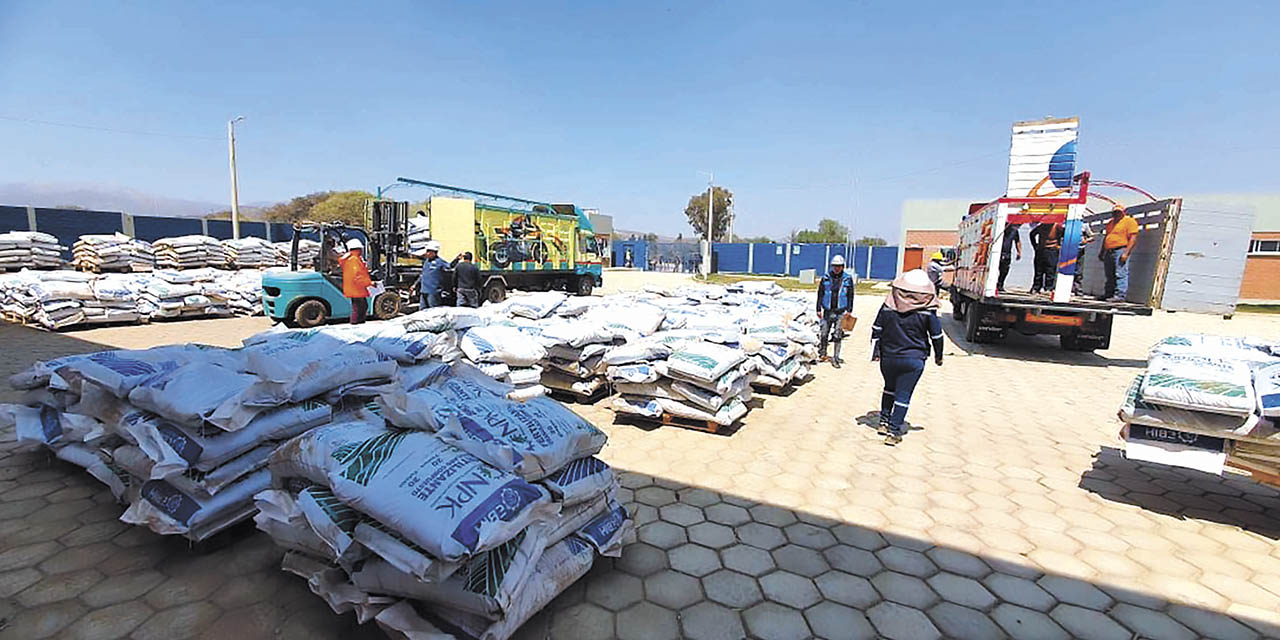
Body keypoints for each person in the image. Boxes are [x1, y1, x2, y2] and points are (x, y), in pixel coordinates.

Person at [870, 269, 944, 446]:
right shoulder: (927, 312)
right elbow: (937, 337)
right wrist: (938, 357)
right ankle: (894, 432)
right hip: (913, 359)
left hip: (888, 357)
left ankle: (883, 422)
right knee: (904, 394)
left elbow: (876, 329)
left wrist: (875, 352)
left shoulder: (888, 306)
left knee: (889, 388)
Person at [815, 254, 855, 368]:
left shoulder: (847, 279)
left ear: (843, 267)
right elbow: (820, 293)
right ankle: (823, 354)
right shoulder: (826, 277)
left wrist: (849, 310)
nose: (836, 268)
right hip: (827, 310)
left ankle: (836, 358)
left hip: (840, 311)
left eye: (839, 266)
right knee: (824, 334)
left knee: (837, 335)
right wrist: (818, 308)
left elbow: (851, 295)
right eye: (835, 266)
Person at [1100, 207, 1139, 302]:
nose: (1116, 214)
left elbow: (1133, 237)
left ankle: (1120, 295)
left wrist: (1126, 253)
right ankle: (1109, 294)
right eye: (1114, 212)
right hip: (1109, 250)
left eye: (1118, 212)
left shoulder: (1129, 221)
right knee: (1109, 274)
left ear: (1123, 212)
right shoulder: (1110, 223)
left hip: (1120, 249)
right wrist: (1102, 251)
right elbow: (1106, 237)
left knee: (1120, 273)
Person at [336, 238, 373, 325]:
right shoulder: (354, 260)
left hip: (353, 287)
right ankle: (356, 325)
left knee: (359, 307)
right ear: (358, 249)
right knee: (360, 308)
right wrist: (370, 283)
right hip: (356, 287)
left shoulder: (351, 259)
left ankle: (357, 324)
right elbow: (358, 276)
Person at [1028, 220, 1064, 295]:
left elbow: (1065, 235)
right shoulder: (1041, 226)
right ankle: (1036, 287)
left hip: (1052, 249)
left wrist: (1059, 246)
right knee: (1039, 270)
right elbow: (1032, 234)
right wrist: (1035, 246)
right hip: (1041, 249)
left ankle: (1048, 288)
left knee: (1050, 270)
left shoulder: (1057, 226)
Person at [417, 240, 450, 309]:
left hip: (433, 291)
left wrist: (456, 259)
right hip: (424, 290)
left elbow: (450, 267)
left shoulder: (440, 262)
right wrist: (414, 285)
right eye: (427, 251)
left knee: (433, 310)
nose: (427, 253)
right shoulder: (426, 262)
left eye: (429, 251)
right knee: (422, 310)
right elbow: (423, 274)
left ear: (434, 252)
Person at [996, 222, 1022, 293]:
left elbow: (1017, 241)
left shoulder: (1014, 231)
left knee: (1004, 270)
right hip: (996, 253)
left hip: (1007, 253)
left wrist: (1019, 252)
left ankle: (1000, 284)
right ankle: (994, 284)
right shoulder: (999, 229)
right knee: (994, 269)